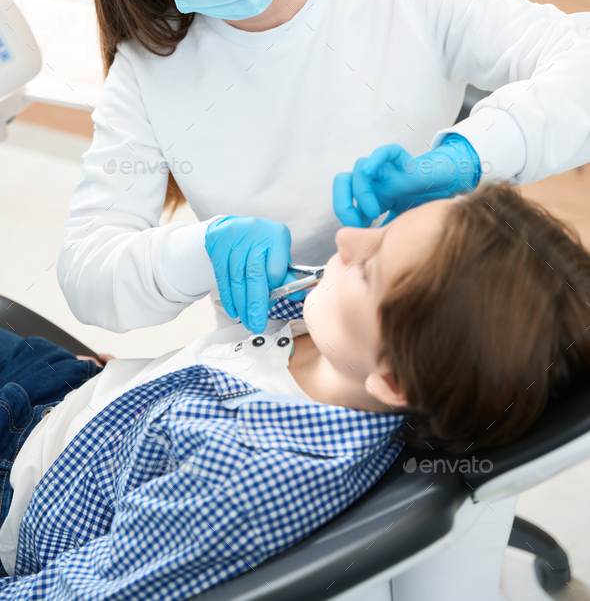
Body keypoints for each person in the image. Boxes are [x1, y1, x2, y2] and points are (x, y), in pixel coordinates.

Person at [56, 0, 590, 337]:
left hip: (433, 332)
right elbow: (86, 273)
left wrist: (465, 156)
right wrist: (200, 252)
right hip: (268, 360)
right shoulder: (149, 68)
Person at [3, 182, 590, 598]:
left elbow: (82, 592)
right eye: (385, 229)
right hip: (82, 400)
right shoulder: (345, 343)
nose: (350, 239)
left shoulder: (245, 483)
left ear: (392, 381)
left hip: (23, 485)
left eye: (369, 265)